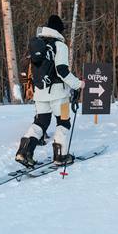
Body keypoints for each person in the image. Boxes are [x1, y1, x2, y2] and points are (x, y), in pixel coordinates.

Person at [15, 15, 85, 167]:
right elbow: (62, 71)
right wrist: (78, 84)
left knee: (40, 123)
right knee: (63, 122)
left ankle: (24, 152)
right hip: (60, 94)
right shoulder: (60, 46)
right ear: (59, 30)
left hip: (40, 93)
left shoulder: (38, 45)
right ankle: (60, 156)